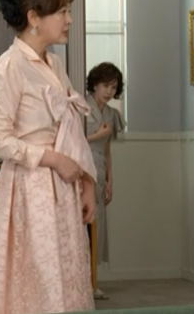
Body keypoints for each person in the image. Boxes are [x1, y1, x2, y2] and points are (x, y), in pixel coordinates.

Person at [0, 0, 97, 314]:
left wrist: (87, 182)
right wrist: (52, 159)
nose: (69, 20)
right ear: (34, 17)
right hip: (30, 189)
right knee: (36, 282)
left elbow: (71, 130)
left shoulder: (54, 63)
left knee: (67, 278)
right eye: (62, 12)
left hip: (63, 187)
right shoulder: (8, 67)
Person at [85, 62, 125, 300]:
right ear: (95, 85)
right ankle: (80, 283)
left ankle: (93, 282)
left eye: (113, 87)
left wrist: (111, 179)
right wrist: (95, 135)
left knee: (97, 227)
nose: (109, 91)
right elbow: (70, 141)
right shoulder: (82, 107)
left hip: (100, 169)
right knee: (82, 226)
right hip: (82, 167)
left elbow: (107, 149)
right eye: (105, 85)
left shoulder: (111, 114)